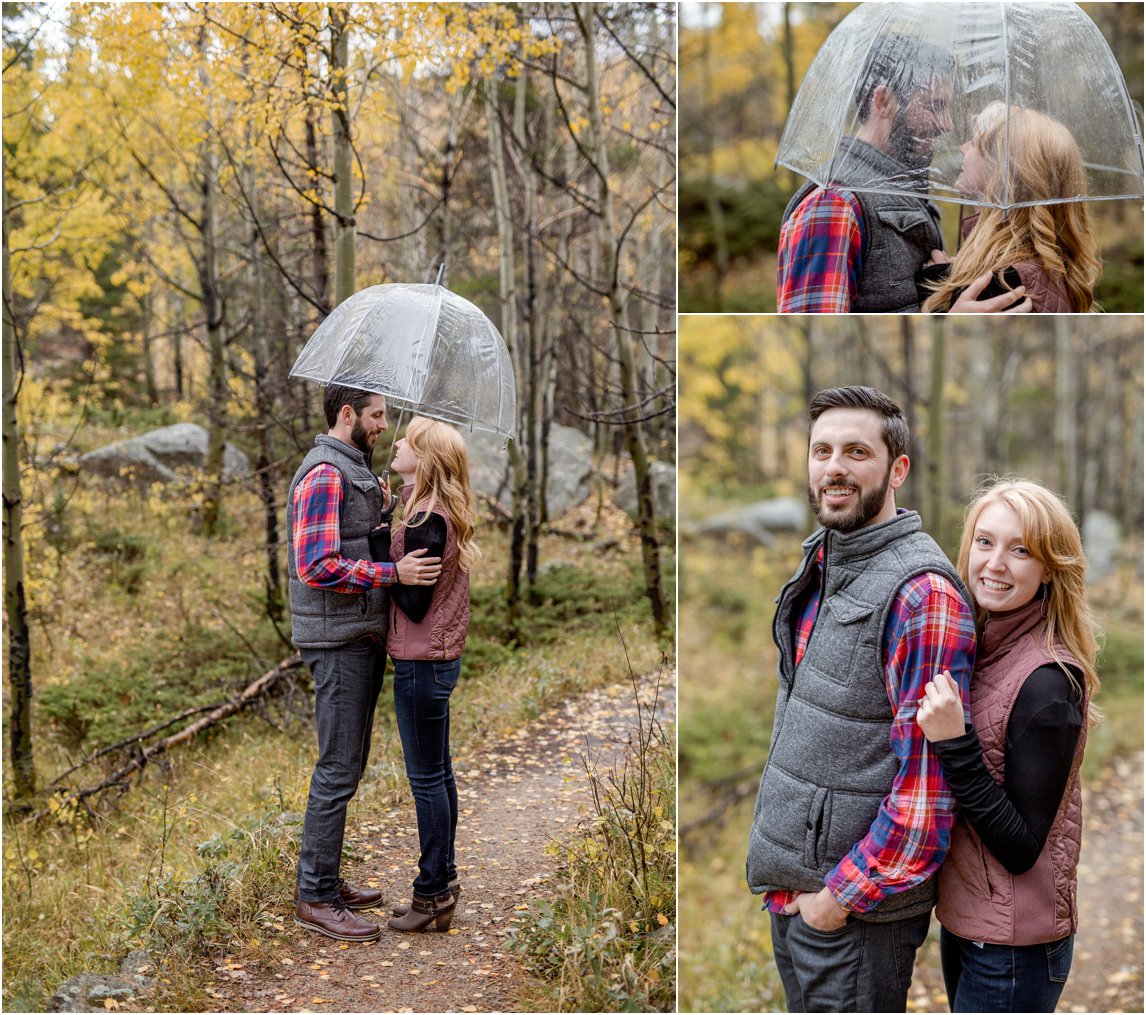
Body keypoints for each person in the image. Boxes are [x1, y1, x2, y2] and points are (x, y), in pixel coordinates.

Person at [745, 385, 978, 1013]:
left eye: (856, 451)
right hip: (797, 895)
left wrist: (837, 900)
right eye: (822, 450)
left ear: (897, 469)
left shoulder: (922, 596)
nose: (834, 468)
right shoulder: (827, 559)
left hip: (855, 916)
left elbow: (927, 787)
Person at [916, 479, 1100, 1012]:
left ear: (1049, 568)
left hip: (1013, 947)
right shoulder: (982, 645)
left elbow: (1021, 847)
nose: (995, 563)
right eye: (985, 542)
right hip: (971, 921)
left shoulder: (1047, 681)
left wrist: (955, 741)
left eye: (1020, 550)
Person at [288, 384, 442, 943]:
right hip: (338, 641)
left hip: (357, 635)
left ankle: (326, 878)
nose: (384, 426)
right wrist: (391, 576)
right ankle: (316, 895)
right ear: (347, 414)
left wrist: (380, 511)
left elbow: (351, 541)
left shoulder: (349, 470)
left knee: (347, 765)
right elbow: (316, 565)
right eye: (377, 416)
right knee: (337, 768)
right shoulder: (325, 473)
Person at [777, 32, 1032, 315]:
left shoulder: (905, 190)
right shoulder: (834, 205)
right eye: (933, 105)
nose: (947, 124)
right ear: (884, 101)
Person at [384, 417, 480, 934]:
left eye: (408, 440)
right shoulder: (431, 513)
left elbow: (415, 602)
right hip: (435, 660)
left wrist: (381, 552)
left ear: (426, 458)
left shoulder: (427, 520)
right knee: (438, 774)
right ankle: (441, 883)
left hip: (422, 662)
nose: (397, 441)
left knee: (427, 780)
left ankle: (432, 893)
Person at [920, 104, 1101, 312]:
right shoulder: (1042, 264)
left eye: (976, 142)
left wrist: (946, 306)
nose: (963, 147)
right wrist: (951, 276)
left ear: (1003, 170)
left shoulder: (1006, 283)